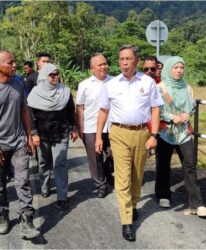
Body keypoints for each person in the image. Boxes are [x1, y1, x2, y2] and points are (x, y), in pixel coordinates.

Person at [95, 45, 163, 241]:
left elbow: (156, 109)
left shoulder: (148, 82)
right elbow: (103, 111)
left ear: (137, 61)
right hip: (118, 133)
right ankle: (126, 222)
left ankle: (133, 204)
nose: (124, 63)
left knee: (137, 175)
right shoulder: (111, 84)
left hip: (142, 133)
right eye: (121, 59)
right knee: (123, 177)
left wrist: (154, 135)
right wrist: (99, 136)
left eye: (128, 59)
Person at [0, 50, 40, 239]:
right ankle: (3, 216)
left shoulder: (18, 84)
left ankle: (27, 221)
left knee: (23, 181)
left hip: (19, 143)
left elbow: (24, 110)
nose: (14, 65)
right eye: (10, 62)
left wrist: (29, 136)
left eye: (15, 61)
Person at [154, 56, 206, 217]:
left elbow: (191, 107)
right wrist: (171, 117)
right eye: (175, 67)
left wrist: (187, 115)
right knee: (163, 164)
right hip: (165, 132)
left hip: (183, 133)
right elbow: (156, 110)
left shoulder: (187, 87)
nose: (179, 70)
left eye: (181, 68)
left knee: (190, 165)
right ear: (169, 69)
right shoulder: (160, 87)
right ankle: (163, 195)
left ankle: (196, 203)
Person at [28, 63, 78, 210]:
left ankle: (62, 196)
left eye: (57, 74)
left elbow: (70, 111)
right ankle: (44, 187)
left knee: (60, 164)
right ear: (44, 76)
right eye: (52, 75)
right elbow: (31, 116)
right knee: (43, 163)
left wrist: (74, 128)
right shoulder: (35, 93)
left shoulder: (65, 92)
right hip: (42, 134)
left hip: (61, 131)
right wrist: (34, 133)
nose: (56, 77)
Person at [76, 53, 114, 198]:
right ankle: (101, 185)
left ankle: (106, 172)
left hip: (112, 126)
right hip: (91, 126)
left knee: (114, 154)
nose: (104, 67)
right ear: (92, 68)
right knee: (95, 158)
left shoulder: (115, 82)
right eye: (100, 65)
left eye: (105, 63)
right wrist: (81, 127)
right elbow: (80, 107)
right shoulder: (84, 85)